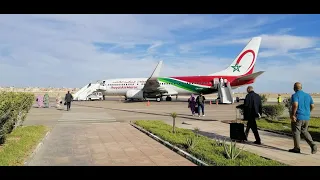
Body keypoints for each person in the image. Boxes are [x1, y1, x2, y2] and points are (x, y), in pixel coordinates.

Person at [289, 82, 317, 154]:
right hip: (306, 117)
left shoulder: (295, 95)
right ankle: (313, 144)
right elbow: (312, 106)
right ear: (301, 88)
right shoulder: (308, 95)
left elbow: (295, 104)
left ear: (294, 88)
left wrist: (293, 114)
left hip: (298, 116)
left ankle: (297, 148)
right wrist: (308, 112)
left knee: (296, 132)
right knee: (304, 131)